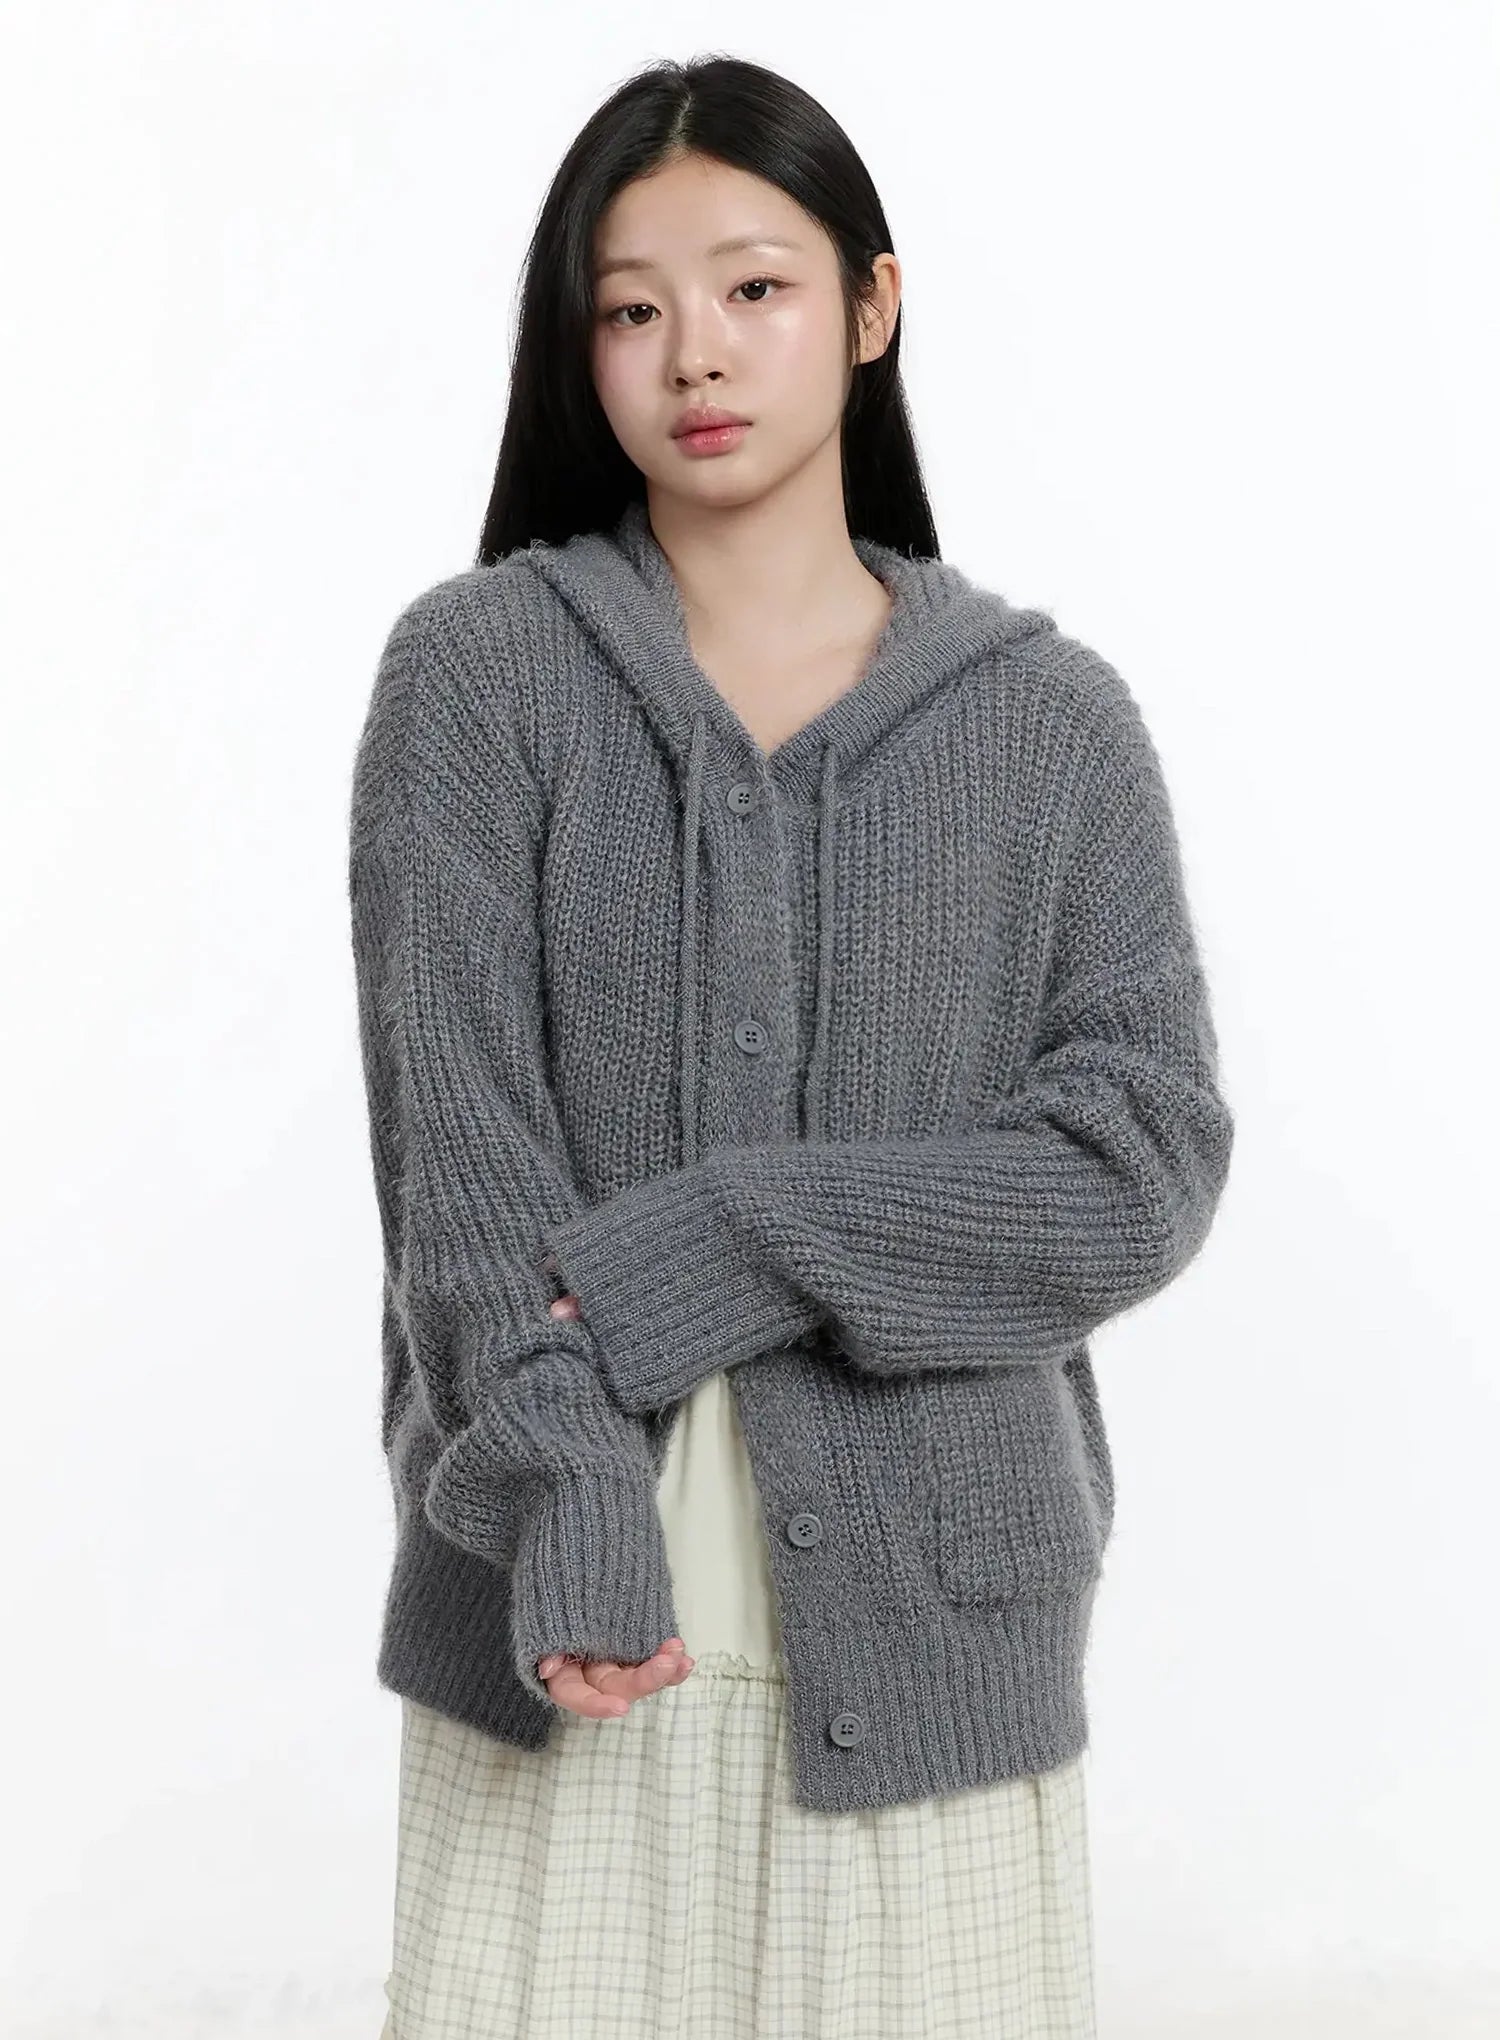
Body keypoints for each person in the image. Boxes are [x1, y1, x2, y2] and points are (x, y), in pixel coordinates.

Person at [350, 52, 1235, 2040]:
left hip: (941, 1646)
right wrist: (566, 1490)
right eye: (631, 308)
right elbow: (458, 1171)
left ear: (870, 305)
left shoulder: (1048, 725)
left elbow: (1139, 1164)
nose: (695, 354)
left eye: (754, 287)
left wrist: (730, 1237)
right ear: (577, 348)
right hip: (569, 1607)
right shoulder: (482, 679)